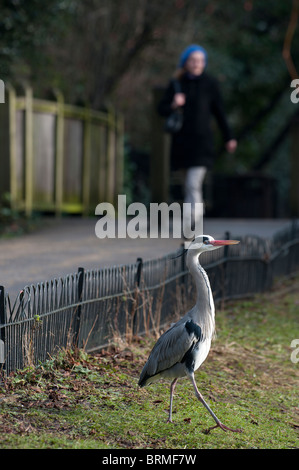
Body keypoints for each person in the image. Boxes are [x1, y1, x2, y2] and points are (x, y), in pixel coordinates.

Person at [158, 44, 237, 236]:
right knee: (187, 186)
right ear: (185, 62)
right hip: (182, 144)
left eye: (201, 61)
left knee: (194, 184)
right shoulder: (176, 83)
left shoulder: (210, 84)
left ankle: (191, 224)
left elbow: (220, 113)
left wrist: (229, 137)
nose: (197, 64)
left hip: (202, 144)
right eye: (193, 60)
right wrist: (173, 104)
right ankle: (191, 223)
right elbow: (160, 110)